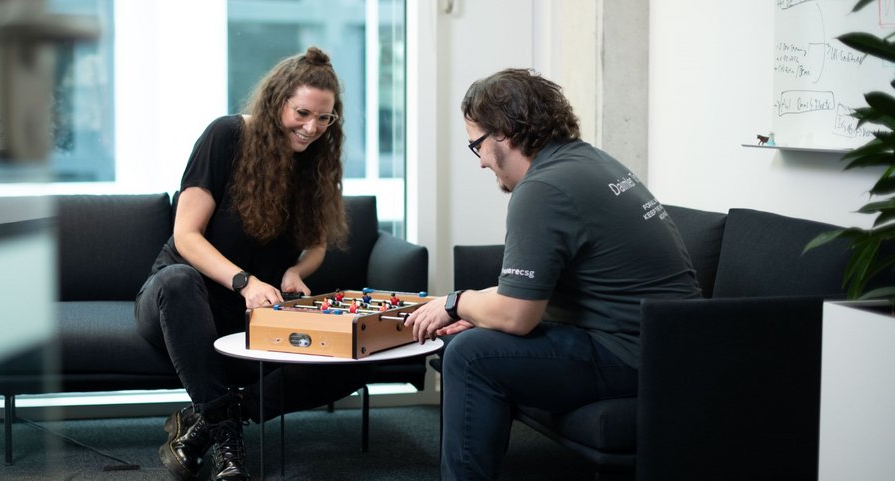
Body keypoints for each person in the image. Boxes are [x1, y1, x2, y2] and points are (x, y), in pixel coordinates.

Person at [404, 68, 702, 481]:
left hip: (635, 355)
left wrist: (456, 302)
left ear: (504, 133)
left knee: (471, 357)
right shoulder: (589, 161)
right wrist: (470, 311)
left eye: (477, 145)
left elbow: (517, 315)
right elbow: (531, 288)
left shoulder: (543, 190)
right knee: (476, 336)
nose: (482, 162)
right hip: (668, 344)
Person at [135, 47, 371, 481]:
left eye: (325, 118)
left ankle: (207, 420)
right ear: (276, 100)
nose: (312, 127)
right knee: (177, 280)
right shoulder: (226, 136)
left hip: (252, 313)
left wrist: (298, 271)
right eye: (302, 113)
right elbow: (185, 236)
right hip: (181, 302)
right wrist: (245, 282)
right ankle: (228, 440)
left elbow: (316, 245)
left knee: (357, 358)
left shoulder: (316, 163)